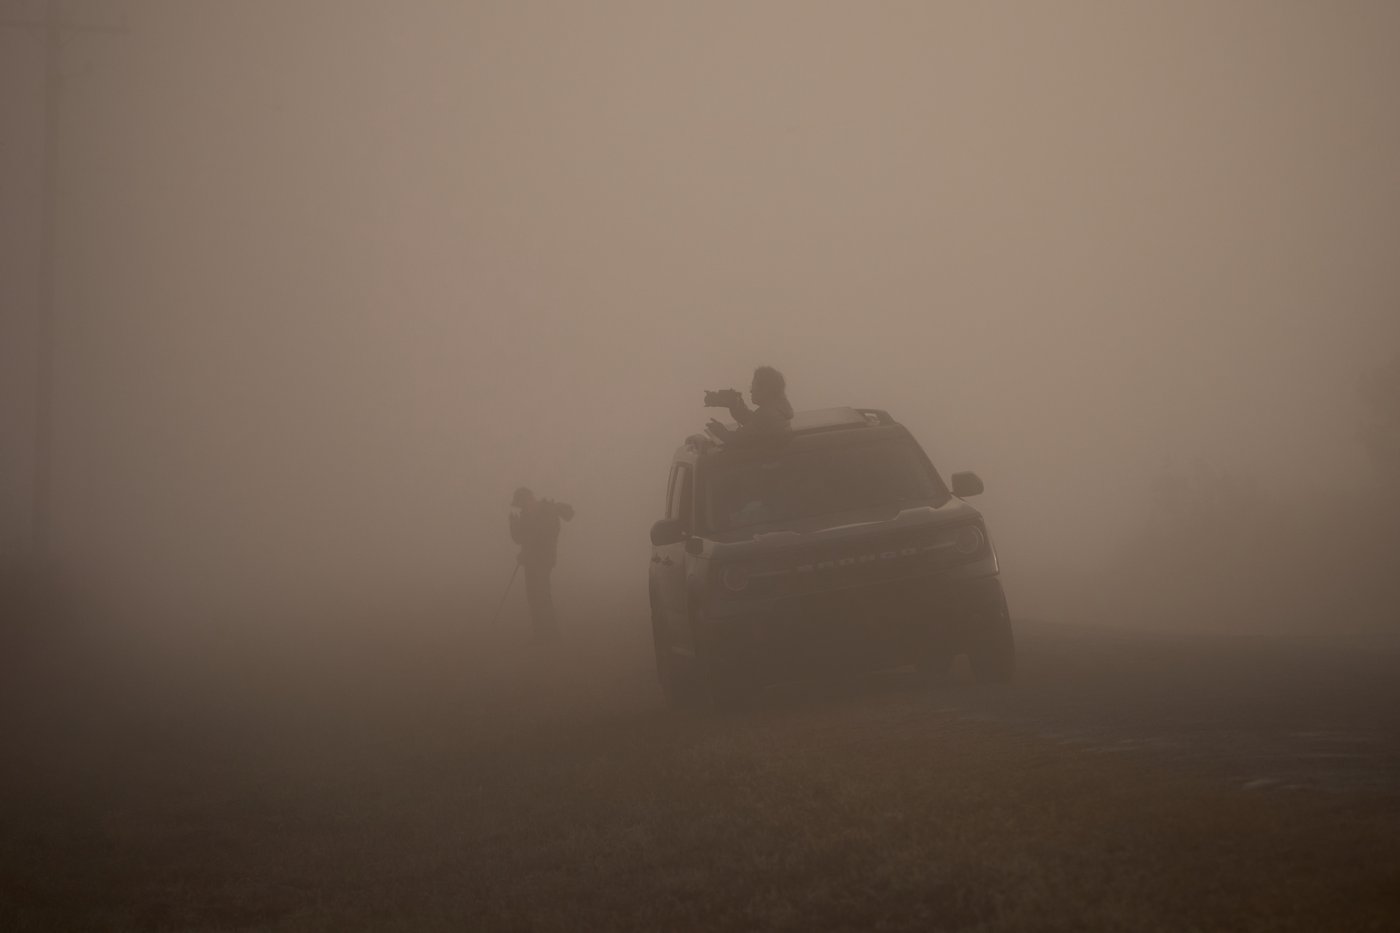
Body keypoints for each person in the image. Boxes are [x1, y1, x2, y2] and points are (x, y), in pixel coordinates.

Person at [508, 487, 574, 638]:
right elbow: (520, 539)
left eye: (521, 503)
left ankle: (547, 633)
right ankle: (543, 632)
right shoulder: (532, 513)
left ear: (527, 499)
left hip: (541, 561)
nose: (521, 507)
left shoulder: (546, 512)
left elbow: (541, 536)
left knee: (540, 595)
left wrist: (526, 548)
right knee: (535, 596)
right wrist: (514, 525)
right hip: (535, 560)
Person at [706, 365, 794, 445]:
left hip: (765, 460)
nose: (751, 391)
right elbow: (754, 422)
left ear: (765, 390)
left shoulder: (767, 414)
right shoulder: (777, 410)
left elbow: (737, 439)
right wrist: (736, 405)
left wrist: (720, 430)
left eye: (753, 386)